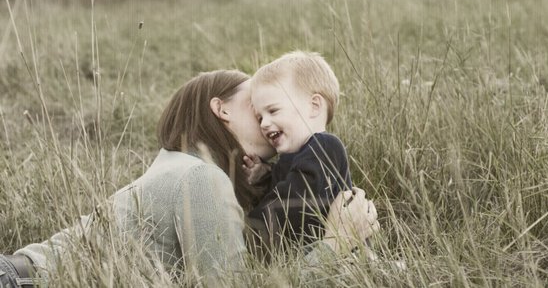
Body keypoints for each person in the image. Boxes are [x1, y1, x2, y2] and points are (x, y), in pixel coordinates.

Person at [0, 70, 379, 287]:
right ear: (221, 110)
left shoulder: (179, 167)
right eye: (255, 107)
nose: (266, 120)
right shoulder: (200, 177)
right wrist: (336, 244)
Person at [244, 51, 359, 249]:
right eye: (260, 117)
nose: (264, 124)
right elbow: (286, 187)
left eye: (273, 111)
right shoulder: (290, 157)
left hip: (346, 256)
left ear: (314, 106)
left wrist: (248, 230)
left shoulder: (325, 147)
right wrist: (265, 176)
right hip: (315, 256)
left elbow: (292, 204)